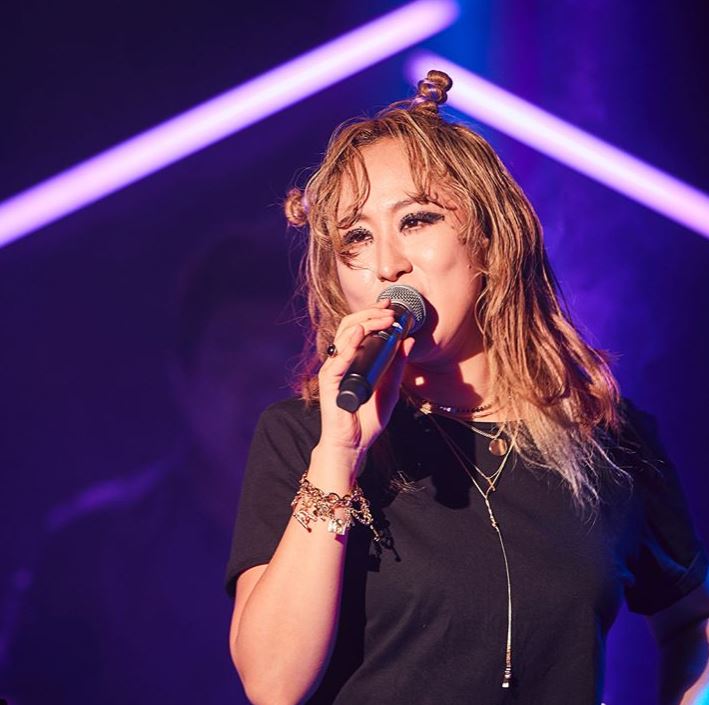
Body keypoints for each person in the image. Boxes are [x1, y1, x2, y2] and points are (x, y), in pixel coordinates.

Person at [224, 71, 709, 705]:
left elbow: (692, 622)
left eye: (417, 220)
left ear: (488, 239)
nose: (387, 265)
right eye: (356, 237)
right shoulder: (305, 437)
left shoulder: (607, 440)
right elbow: (271, 684)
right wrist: (339, 455)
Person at [1, 236, 299, 705]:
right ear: (183, 377)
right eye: (232, 353)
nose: (260, 389)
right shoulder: (91, 550)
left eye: (286, 355)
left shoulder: (371, 526)